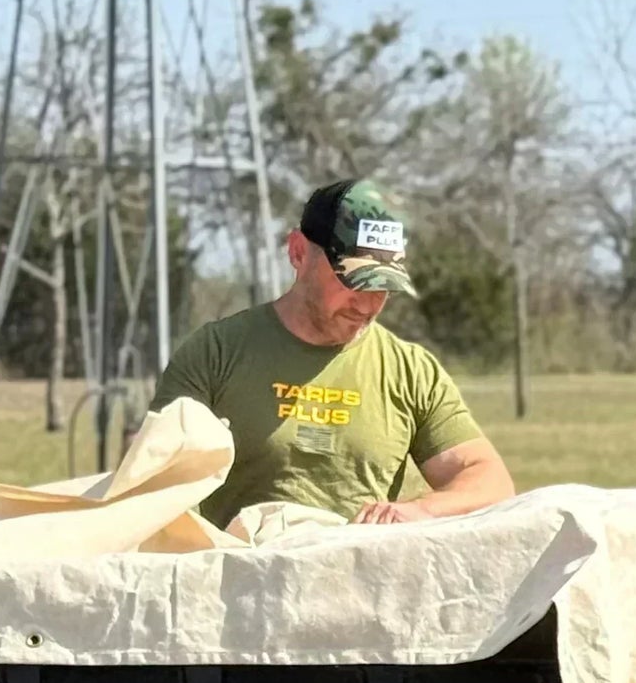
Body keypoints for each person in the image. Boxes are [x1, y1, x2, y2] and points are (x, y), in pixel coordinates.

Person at [151, 178, 514, 531]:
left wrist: (421, 511)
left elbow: (488, 479)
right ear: (297, 252)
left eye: (383, 285)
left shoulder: (411, 371)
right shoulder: (216, 353)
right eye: (353, 279)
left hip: (359, 583)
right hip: (246, 581)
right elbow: (149, 482)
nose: (368, 303)